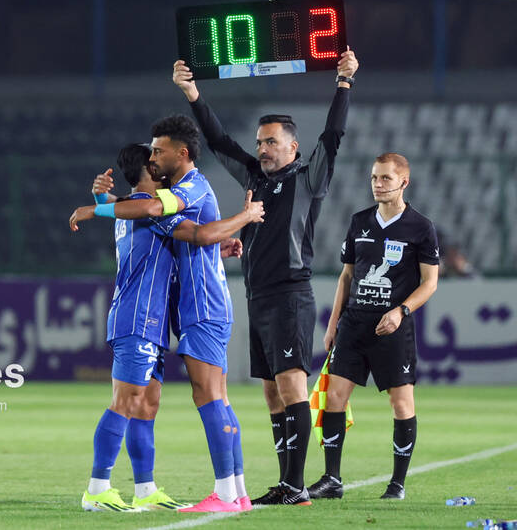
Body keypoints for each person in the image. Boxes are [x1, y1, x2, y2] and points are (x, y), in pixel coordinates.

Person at [171, 48, 359, 505]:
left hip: (290, 295)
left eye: (271, 142)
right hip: (258, 298)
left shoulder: (309, 178)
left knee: (292, 387)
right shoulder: (255, 177)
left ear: (293, 147)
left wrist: (343, 84)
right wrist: (193, 94)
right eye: (259, 142)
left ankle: (295, 486)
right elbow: (219, 141)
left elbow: (332, 136)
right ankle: (287, 483)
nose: (262, 149)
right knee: (273, 394)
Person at [71, 115, 257, 512]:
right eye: (152, 158)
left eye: (160, 152)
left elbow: (187, 238)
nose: (158, 162)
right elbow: (195, 233)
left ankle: (145, 489)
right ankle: (97, 487)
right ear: (147, 173)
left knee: (146, 405)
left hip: (153, 320)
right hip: (138, 318)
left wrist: (103, 201)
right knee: (127, 401)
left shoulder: (134, 208)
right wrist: (241, 220)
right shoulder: (145, 209)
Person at [307, 153, 439, 500]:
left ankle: (397, 484)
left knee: (401, 404)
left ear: (403, 182)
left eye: (385, 178)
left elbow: (429, 282)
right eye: (374, 178)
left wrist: (401, 311)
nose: (378, 185)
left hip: (392, 328)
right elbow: (347, 276)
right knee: (334, 397)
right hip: (354, 324)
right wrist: (333, 323)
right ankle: (331, 479)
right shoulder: (359, 221)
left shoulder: (420, 227)